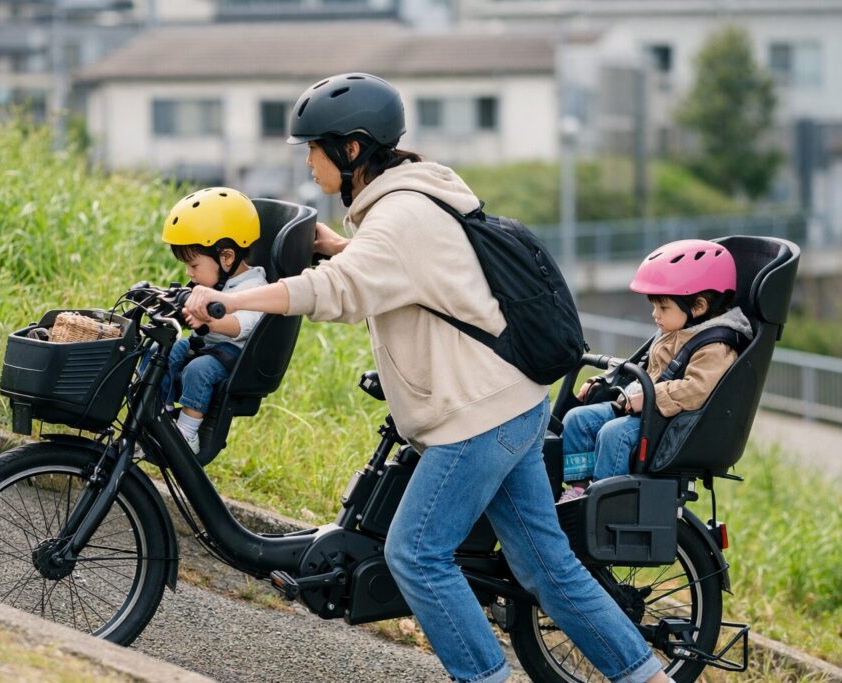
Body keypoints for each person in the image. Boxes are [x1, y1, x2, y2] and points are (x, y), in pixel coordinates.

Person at [184, 73, 672, 683]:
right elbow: (392, 271)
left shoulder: (402, 214)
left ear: (352, 149)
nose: (307, 160)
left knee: (416, 553)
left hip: (479, 415)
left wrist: (235, 303)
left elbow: (343, 292)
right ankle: (646, 677)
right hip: (508, 401)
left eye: (314, 147)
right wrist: (341, 246)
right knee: (547, 567)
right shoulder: (407, 202)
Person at [559, 239, 754, 502]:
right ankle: (578, 491)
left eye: (663, 307)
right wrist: (604, 382)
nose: (655, 314)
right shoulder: (675, 330)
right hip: (642, 408)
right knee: (576, 420)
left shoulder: (715, 345)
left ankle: (603, 503)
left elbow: (696, 390)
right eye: (654, 306)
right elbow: (641, 365)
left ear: (698, 307)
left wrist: (651, 395)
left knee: (613, 435)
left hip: (667, 423)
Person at [159, 187, 268, 453]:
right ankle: (157, 413)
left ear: (227, 257)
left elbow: (242, 325)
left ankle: (187, 433)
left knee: (198, 371)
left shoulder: (255, 287)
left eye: (194, 266)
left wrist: (210, 322)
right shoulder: (212, 281)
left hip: (232, 354)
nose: (189, 273)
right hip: (203, 343)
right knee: (163, 352)